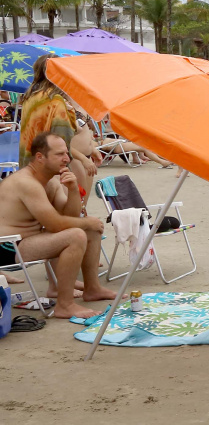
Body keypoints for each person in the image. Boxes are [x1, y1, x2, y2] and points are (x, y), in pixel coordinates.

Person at [0, 132, 120, 319]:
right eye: (59, 154)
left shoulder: (51, 181)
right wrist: (86, 221)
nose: (66, 159)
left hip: (28, 240)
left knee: (89, 229)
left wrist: (73, 190)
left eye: (66, 153)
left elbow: (69, 216)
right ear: (40, 157)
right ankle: (65, 305)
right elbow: (55, 224)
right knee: (76, 235)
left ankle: (92, 288)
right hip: (7, 246)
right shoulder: (27, 183)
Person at [18, 55, 95, 205]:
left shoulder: (31, 98)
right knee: (64, 216)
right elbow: (62, 141)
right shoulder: (56, 102)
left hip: (31, 166)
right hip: (52, 170)